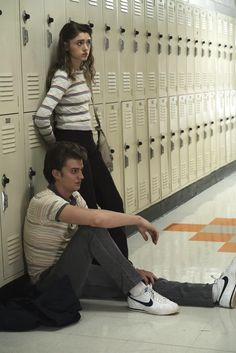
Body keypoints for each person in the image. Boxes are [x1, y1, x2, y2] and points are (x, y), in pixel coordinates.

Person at [23, 141, 236, 317]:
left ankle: (214, 293)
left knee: (142, 282)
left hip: (73, 275)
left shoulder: (75, 197)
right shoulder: (44, 202)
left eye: (81, 170)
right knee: (92, 230)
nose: (81, 176)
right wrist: (137, 219)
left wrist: (130, 271)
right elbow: (96, 221)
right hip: (48, 285)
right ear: (56, 174)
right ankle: (138, 293)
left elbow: (94, 244)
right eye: (74, 171)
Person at [34, 21, 128, 258]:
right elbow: (42, 116)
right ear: (66, 46)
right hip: (72, 142)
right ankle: (106, 268)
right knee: (90, 210)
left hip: (87, 143)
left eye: (87, 42)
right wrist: (56, 146)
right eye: (79, 43)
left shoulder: (81, 73)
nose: (85, 48)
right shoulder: (63, 76)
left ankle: (122, 265)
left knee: (112, 202)